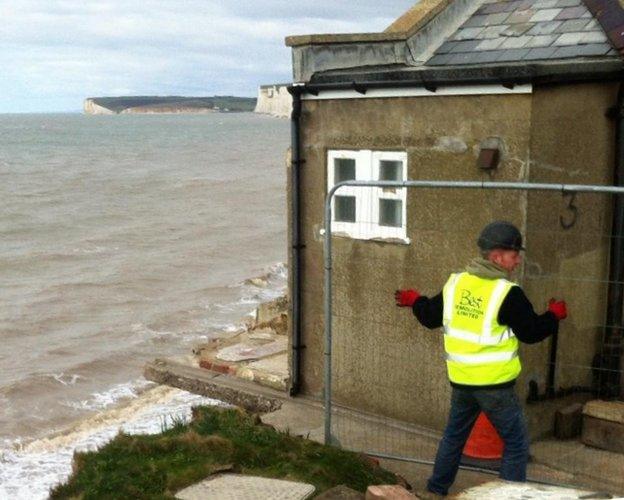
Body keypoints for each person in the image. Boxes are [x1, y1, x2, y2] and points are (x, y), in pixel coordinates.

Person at [394, 220, 567, 497]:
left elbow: (429, 317)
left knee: (454, 437)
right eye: (514, 254)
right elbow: (532, 332)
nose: (518, 259)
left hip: (462, 381)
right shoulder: (507, 293)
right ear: (497, 256)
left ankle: (435, 491)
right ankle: (507, 496)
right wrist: (554, 316)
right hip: (494, 386)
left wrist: (416, 301)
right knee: (516, 442)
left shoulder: (456, 283)